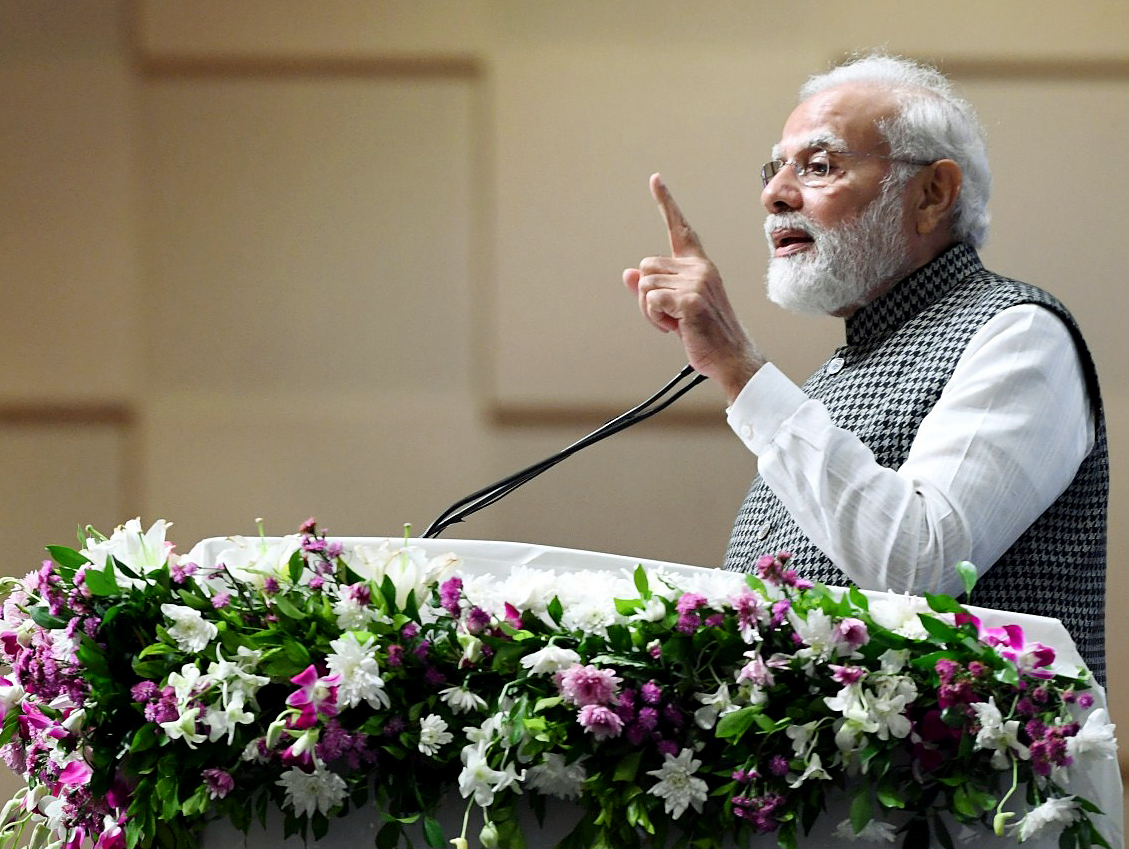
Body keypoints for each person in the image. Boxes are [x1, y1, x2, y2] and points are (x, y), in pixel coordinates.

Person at [623, 52, 1108, 682]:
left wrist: (740, 368)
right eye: (775, 169)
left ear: (932, 194)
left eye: (819, 166)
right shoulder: (845, 366)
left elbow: (919, 563)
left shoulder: (1018, 334)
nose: (774, 194)